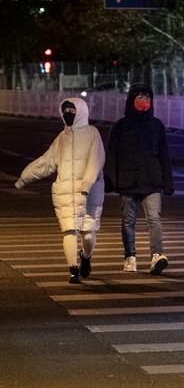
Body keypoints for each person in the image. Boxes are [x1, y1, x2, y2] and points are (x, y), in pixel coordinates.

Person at [15, 98, 105, 284]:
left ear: (81, 111)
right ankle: (73, 269)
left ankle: (86, 256)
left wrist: (86, 185)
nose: (68, 114)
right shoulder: (61, 138)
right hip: (64, 192)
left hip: (88, 194)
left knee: (87, 234)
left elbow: (96, 161)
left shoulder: (92, 133)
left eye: (72, 110)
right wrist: (24, 178)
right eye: (65, 111)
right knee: (69, 231)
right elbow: (46, 163)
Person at [104, 82, 174, 275]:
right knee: (128, 221)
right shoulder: (120, 126)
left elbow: (164, 156)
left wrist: (167, 182)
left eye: (148, 97)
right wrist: (109, 180)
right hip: (128, 182)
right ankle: (130, 257)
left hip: (152, 181)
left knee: (155, 219)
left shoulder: (157, 126)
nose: (144, 101)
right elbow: (112, 155)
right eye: (140, 97)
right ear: (131, 100)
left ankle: (157, 255)